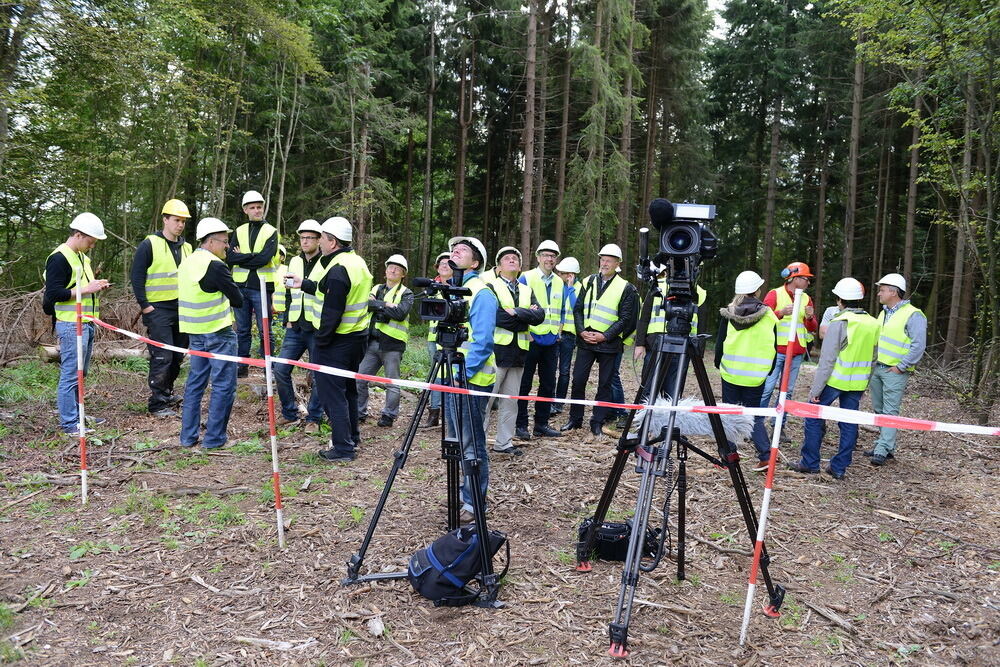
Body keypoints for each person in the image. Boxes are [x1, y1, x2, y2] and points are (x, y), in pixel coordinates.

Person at [290, 217, 371, 462]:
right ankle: (352, 437)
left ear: (333, 242)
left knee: (332, 395)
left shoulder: (338, 269)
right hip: (356, 338)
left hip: (336, 341)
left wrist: (321, 342)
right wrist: (304, 284)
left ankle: (343, 448)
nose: (319, 242)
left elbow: (332, 311)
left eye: (322, 238)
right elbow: (327, 289)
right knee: (348, 391)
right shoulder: (355, 262)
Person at [789, 278, 880, 479]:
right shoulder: (873, 323)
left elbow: (827, 360)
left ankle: (810, 462)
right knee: (849, 422)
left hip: (834, 381)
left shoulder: (840, 322)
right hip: (857, 383)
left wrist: (815, 391)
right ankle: (839, 467)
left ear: (839, 300)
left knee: (813, 416)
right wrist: (865, 383)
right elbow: (874, 358)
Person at [178, 218, 244, 449]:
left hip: (195, 333)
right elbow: (238, 299)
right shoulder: (215, 265)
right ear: (210, 241)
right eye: (225, 242)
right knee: (224, 385)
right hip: (218, 333)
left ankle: (187, 437)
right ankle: (214, 439)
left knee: (195, 384)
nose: (227, 246)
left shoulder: (187, 263)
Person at [444, 236, 497, 523]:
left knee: (471, 444)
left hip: (470, 379)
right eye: (454, 249)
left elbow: (483, 342)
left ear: (475, 263)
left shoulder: (481, 293)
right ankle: (460, 494)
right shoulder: (452, 290)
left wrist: (459, 374)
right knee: (454, 441)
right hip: (452, 376)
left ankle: (474, 503)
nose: (456, 251)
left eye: (463, 250)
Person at [44, 213, 111, 436]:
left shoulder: (81, 256)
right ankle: (70, 423)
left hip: (86, 322)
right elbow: (53, 293)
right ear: (79, 235)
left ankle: (78, 414)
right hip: (71, 324)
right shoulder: (59, 258)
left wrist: (96, 285)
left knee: (81, 374)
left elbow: (80, 286)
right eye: (91, 241)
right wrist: (87, 289)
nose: (92, 246)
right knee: (71, 375)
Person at [563, 244, 638, 436]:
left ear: (618, 263)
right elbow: (578, 309)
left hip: (609, 342)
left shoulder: (626, 287)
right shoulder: (588, 281)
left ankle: (597, 421)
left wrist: (605, 335)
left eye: (609, 260)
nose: (604, 263)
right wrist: (581, 331)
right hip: (586, 340)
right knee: (578, 380)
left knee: (605, 384)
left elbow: (625, 318)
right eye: (602, 259)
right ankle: (575, 419)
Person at [712, 271, 779, 471]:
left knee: (729, 414)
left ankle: (728, 457)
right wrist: (769, 369)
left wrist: (718, 363)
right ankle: (765, 456)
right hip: (756, 375)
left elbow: (720, 342)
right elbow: (774, 345)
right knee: (753, 416)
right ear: (757, 291)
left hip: (731, 373)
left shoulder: (729, 313)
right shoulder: (769, 315)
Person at [130, 199, 192, 418]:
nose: (180, 225)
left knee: (177, 355)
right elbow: (137, 277)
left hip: (182, 309)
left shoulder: (187, 248)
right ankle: (157, 403)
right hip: (158, 309)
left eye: (183, 221)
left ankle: (167, 393)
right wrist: (145, 306)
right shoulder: (149, 244)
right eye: (176, 220)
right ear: (165, 219)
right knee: (162, 355)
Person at [485, 247, 544, 457]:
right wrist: (525, 317)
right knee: (487, 400)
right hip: (496, 352)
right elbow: (497, 317)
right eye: (506, 258)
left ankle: (504, 443)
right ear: (499, 266)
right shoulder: (491, 286)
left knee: (511, 401)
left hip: (519, 353)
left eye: (515, 259)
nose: (511, 260)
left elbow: (540, 316)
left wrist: (516, 312)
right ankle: (478, 442)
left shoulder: (527, 290)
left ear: (520, 266)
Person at [865, 273, 927, 466]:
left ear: (893, 292)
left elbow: (918, 345)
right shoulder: (884, 313)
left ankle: (882, 449)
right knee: (879, 409)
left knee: (890, 411)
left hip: (894, 371)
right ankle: (885, 445)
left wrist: (901, 367)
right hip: (878, 368)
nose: (879, 293)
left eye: (882, 290)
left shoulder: (913, 314)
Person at [273, 220, 325, 432]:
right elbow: (288, 291)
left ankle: (314, 418)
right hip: (295, 326)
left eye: (310, 238)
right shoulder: (294, 261)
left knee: (319, 375)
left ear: (319, 240)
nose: (305, 241)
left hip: (317, 327)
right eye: (302, 237)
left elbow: (326, 291)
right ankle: (289, 413)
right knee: (280, 369)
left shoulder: (326, 262)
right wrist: (287, 318)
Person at [515, 240, 566, 440]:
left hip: (551, 341)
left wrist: (558, 331)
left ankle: (541, 424)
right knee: (524, 384)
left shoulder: (559, 281)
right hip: (531, 339)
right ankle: (520, 425)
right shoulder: (526, 277)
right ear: (538, 257)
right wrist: (526, 331)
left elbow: (561, 309)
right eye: (545, 255)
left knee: (548, 384)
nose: (549, 259)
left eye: (553, 256)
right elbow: (520, 306)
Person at [228, 190, 280, 377]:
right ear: (245, 210)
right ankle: (242, 367)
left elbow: (264, 259)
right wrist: (252, 257)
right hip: (241, 287)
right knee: (242, 330)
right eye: (253, 207)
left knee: (265, 330)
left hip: (262, 287)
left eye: (259, 207)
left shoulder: (271, 231)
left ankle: (268, 367)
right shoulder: (239, 231)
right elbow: (230, 257)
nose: (257, 210)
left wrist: (243, 256)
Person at [357, 254, 414, 427]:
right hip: (372, 342)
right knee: (360, 378)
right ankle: (359, 412)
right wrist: (386, 305)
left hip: (393, 344)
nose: (393, 270)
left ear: (403, 274)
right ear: (386, 270)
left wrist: (378, 305)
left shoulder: (407, 293)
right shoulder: (376, 288)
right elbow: (365, 304)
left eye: (398, 269)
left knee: (392, 382)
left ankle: (389, 415)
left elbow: (400, 313)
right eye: (391, 267)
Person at [759, 261, 818, 411]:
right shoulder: (775, 294)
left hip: (796, 353)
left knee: (787, 392)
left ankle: (780, 423)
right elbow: (762, 319)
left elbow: (812, 328)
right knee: (767, 389)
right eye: (806, 279)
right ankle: (757, 422)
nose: (808, 282)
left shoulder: (806, 298)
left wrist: (810, 318)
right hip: (776, 351)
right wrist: (781, 313)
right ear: (795, 278)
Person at [421, 251, 453, 429]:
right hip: (434, 338)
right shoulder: (432, 287)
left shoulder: (459, 286)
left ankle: (450, 415)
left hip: (453, 338)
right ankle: (434, 413)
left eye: (448, 263)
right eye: (441, 263)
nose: (444, 265)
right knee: (436, 375)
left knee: (451, 376)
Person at [552, 256, 580, 414]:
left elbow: (576, 308)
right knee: (551, 369)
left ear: (570, 275)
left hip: (569, 336)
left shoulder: (580, 288)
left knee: (564, 370)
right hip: (554, 333)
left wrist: (570, 289)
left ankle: (559, 402)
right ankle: (550, 400)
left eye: (561, 273)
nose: (558, 274)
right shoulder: (557, 285)